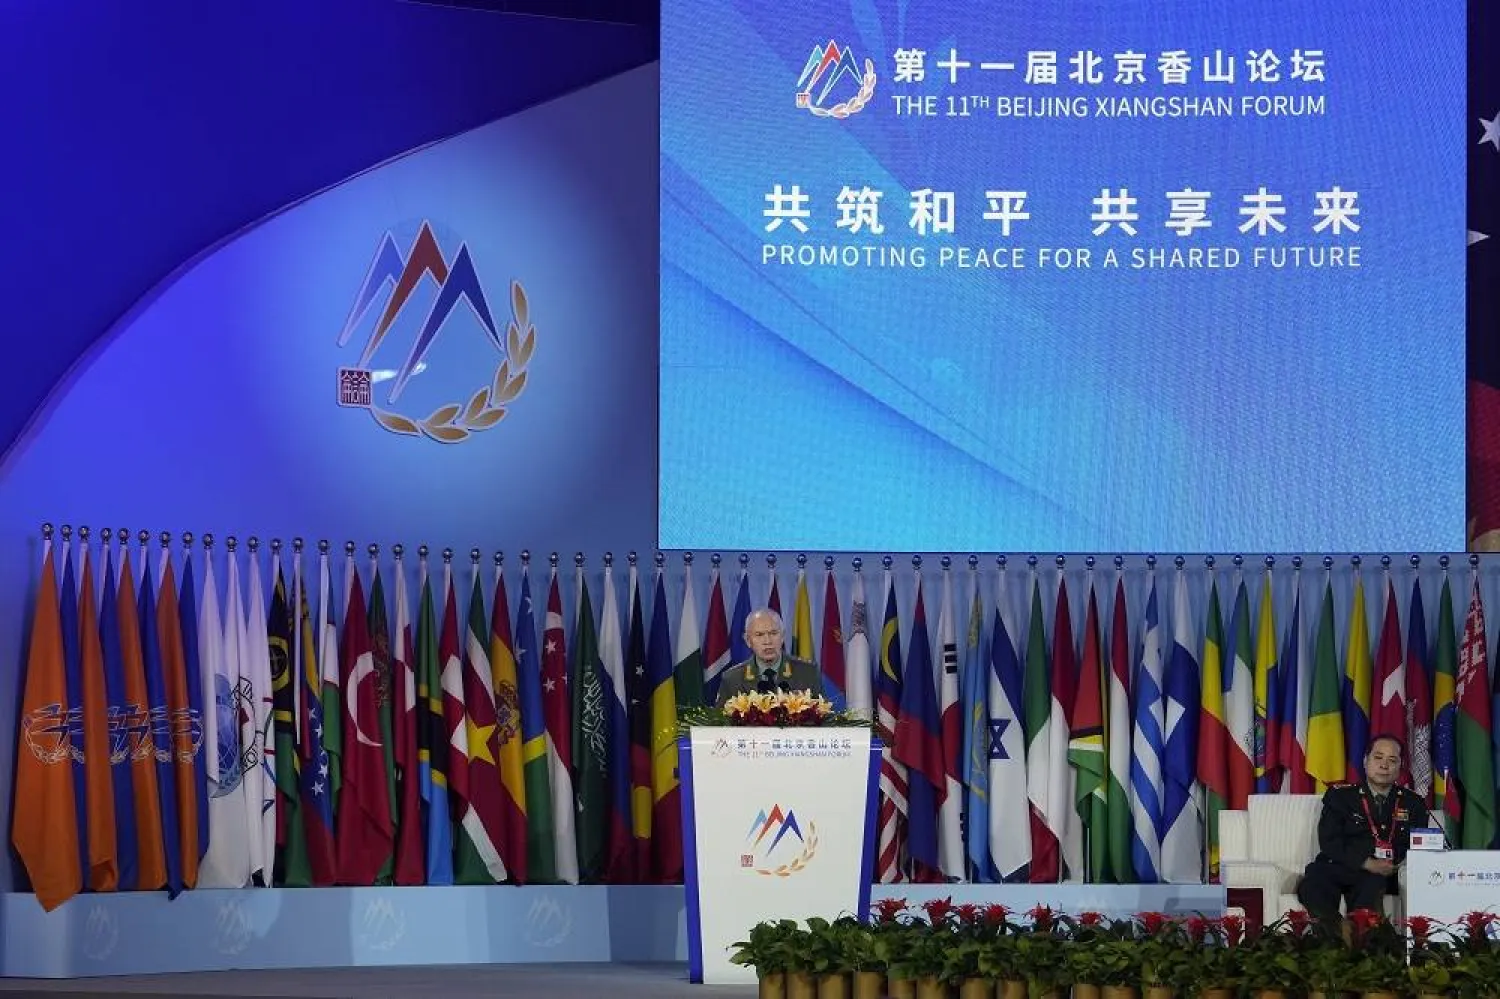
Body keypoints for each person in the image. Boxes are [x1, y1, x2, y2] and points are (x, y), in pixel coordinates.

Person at [1296, 734, 1429, 930]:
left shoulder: (1413, 802)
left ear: (1400, 767)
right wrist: (1366, 863)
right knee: (1312, 882)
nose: (1384, 765)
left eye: (1392, 760)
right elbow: (1329, 841)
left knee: (1371, 886)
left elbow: (1420, 844)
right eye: (1378, 758)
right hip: (1341, 865)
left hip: (1382, 874)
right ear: (1365, 761)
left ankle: (1361, 941)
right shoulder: (1340, 796)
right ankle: (1338, 931)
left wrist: (1395, 864)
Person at [713, 608, 823, 705]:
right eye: (759, 635)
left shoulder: (808, 673)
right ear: (748, 640)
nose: (768, 641)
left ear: (783, 636)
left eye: (773, 633)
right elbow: (721, 724)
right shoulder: (732, 679)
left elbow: (824, 720)